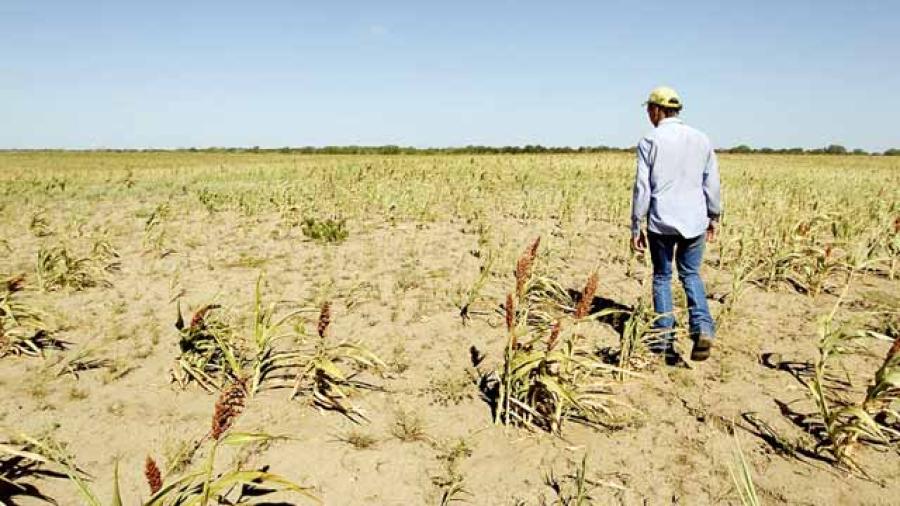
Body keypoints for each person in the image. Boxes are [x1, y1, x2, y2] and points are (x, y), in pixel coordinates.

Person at [630, 86, 721, 362]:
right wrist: (714, 215)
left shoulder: (650, 140)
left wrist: (636, 224)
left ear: (657, 110)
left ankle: (664, 338)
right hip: (695, 219)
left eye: (649, 109)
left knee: (661, 277)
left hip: (662, 221)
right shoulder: (701, 138)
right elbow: (712, 182)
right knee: (691, 274)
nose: (648, 114)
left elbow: (642, 188)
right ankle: (703, 327)